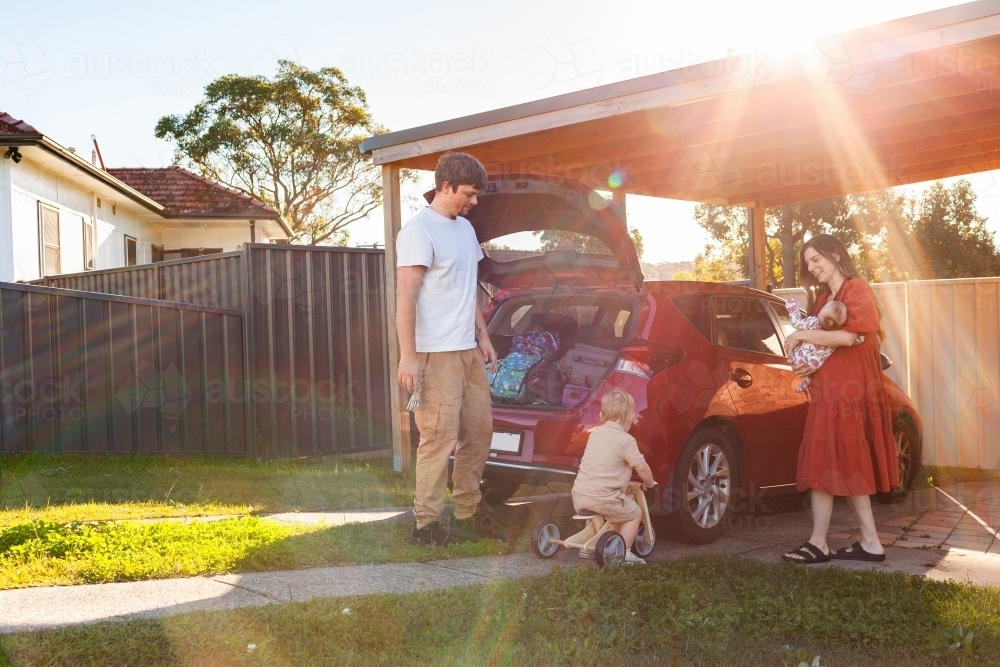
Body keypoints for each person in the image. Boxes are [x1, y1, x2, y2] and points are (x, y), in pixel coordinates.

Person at [396, 152, 499, 546]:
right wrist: (408, 355)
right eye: (469, 194)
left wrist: (484, 336)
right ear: (445, 186)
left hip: (467, 350)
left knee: (479, 431)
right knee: (439, 437)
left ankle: (468, 514)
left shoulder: (466, 231)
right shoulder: (419, 231)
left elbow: (466, 288)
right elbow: (406, 295)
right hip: (434, 352)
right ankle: (427, 525)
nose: (474, 201)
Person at [781, 234, 899, 565]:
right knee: (842, 461)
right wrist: (808, 367)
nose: (812, 268)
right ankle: (870, 542)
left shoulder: (855, 287)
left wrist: (800, 333)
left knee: (828, 459)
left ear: (836, 254)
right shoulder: (823, 299)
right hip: (829, 390)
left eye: (816, 259)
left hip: (847, 392)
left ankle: (820, 542)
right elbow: (826, 345)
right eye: (807, 264)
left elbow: (849, 336)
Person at [571, 388, 657, 565]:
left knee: (604, 509)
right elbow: (641, 467)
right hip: (604, 498)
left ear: (602, 415)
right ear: (629, 417)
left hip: (579, 494)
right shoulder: (626, 440)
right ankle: (622, 553)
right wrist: (650, 483)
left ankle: (588, 549)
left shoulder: (595, 434)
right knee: (634, 513)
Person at [786, 298, 864, 392]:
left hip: (799, 359)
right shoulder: (835, 335)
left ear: (820, 314)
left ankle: (802, 378)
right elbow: (855, 341)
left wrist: (793, 308)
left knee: (796, 347)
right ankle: (805, 382)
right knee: (809, 373)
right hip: (815, 366)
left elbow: (796, 323)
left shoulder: (813, 322)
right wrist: (860, 337)